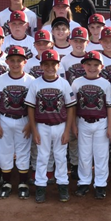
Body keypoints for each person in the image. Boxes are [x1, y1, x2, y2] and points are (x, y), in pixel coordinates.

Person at [26, 49, 77, 203]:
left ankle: (63, 185)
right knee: (42, 157)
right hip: (42, 125)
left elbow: (70, 107)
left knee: (61, 157)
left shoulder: (64, 83)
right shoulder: (36, 83)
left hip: (60, 125)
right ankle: (40, 186)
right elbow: (30, 108)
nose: (49, 67)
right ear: (41, 66)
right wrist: (34, 130)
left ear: (58, 65)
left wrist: (67, 130)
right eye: (46, 64)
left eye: (53, 64)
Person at [0, 46, 36, 199]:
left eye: (19, 61)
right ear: (7, 61)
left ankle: (23, 184)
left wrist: (30, 123)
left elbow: (33, 106)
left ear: (25, 62)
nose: (16, 64)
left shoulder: (31, 81)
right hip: (4, 118)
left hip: (23, 120)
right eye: (12, 60)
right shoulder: (0, 79)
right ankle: (6, 183)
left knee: (23, 152)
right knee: (5, 152)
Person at [71, 51, 111, 199]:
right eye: (88, 64)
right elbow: (73, 106)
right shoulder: (77, 82)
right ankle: (84, 182)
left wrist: (110, 126)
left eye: (96, 65)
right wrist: (73, 125)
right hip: (83, 121)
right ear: (83, 65)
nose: (92, 67)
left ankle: (100, 184)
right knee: (84, 155)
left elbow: (109, 106)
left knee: (101, 155)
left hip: (101, 123)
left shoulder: (105, 83)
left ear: (101, 66)